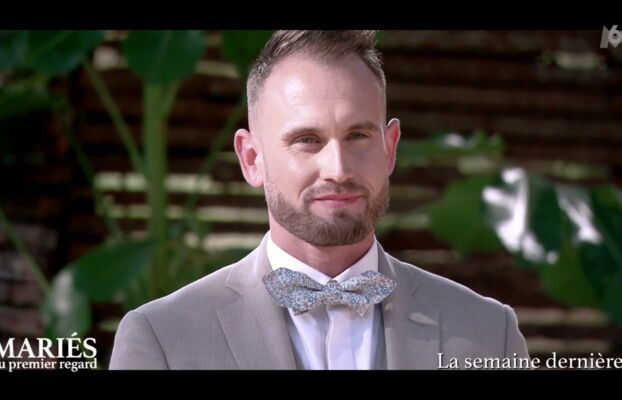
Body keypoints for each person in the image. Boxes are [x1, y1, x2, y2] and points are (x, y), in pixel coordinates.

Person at [109, 30, 529, 370]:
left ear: (390, 148)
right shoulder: (162, 339)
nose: (338, 169)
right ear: (252, 159)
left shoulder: (490, 332)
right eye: (307, 140)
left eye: (358, 136)